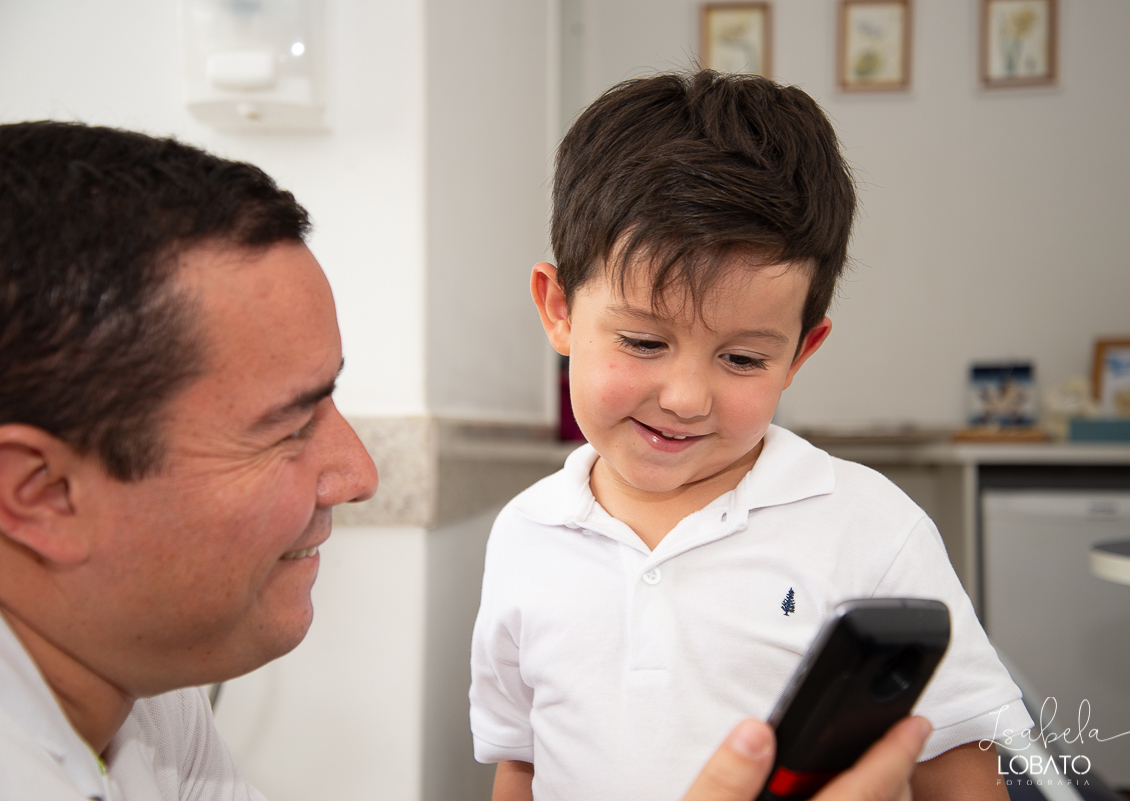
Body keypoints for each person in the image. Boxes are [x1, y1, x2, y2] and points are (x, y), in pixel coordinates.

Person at [0, 120, 932, 801]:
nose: (362, 471)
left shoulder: (146, 708)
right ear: (39, 493)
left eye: (738, 356)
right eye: (289, 425)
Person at [469, 70, 1033, 801]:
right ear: (560, 310)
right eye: (643, 341)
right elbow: (521, 760)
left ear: (801, 351)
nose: (685, 398)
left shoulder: (871, 527)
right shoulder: (526, 534)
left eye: (741, 358)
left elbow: (960, 759)